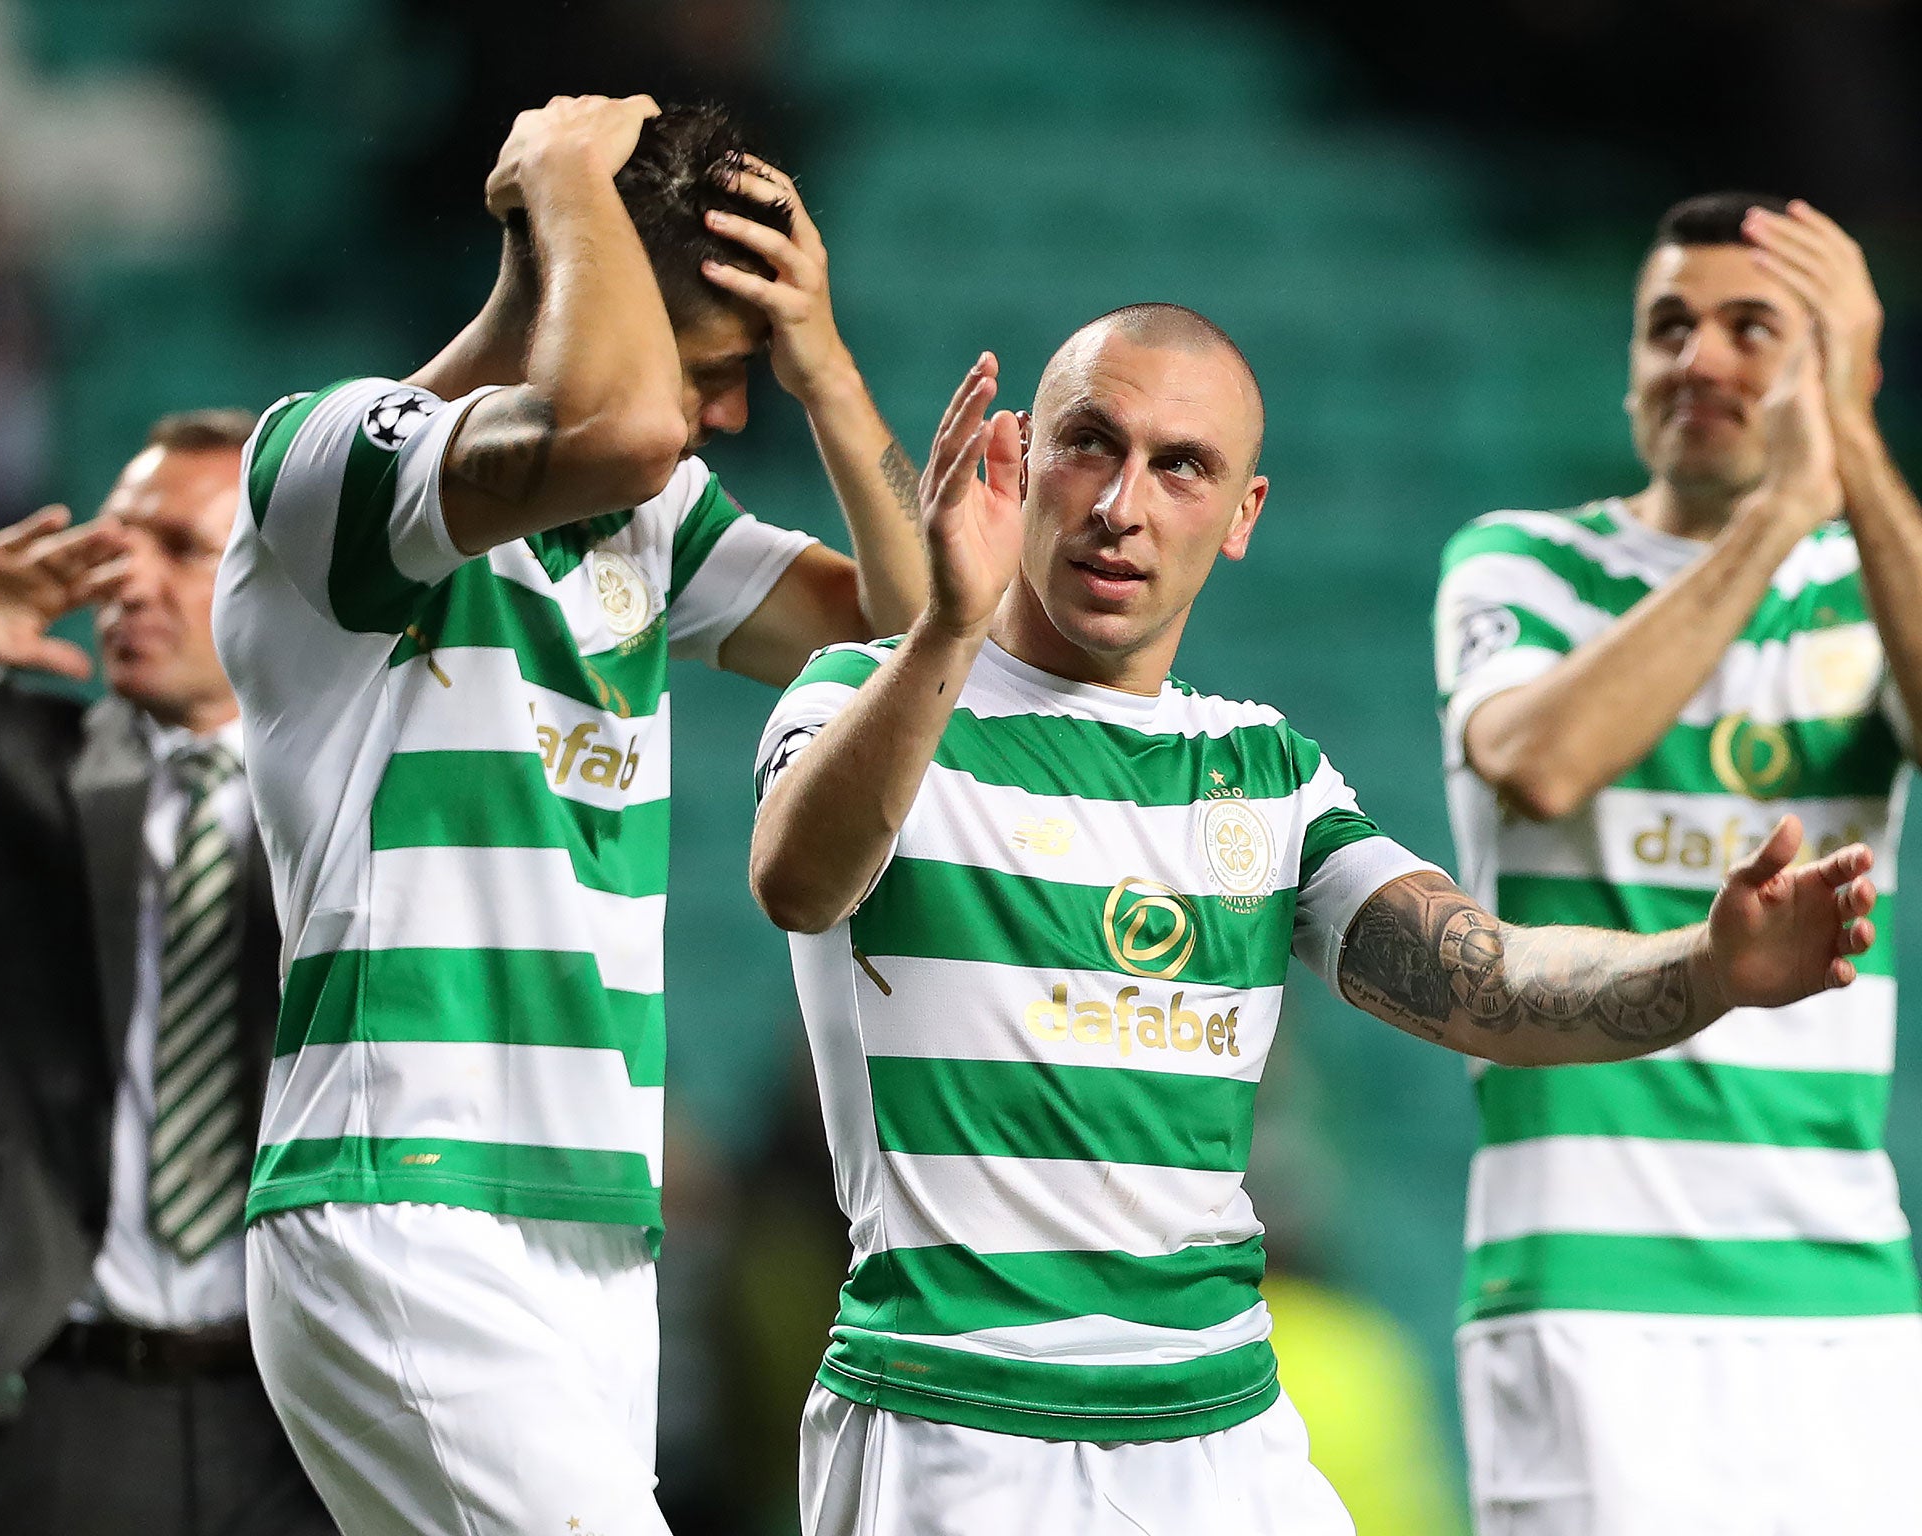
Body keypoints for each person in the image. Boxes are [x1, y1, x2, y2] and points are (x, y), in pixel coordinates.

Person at [747, 303, 1878, 1536]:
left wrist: (1707, 965)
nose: (1122, 503)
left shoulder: (1261, 769)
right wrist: (945, 630)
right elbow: (797, 883)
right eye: (1090, 444)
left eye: (1182, 465)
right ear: (1019, 468)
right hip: (958, 1428)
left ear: (1241, 517)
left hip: (1223, 1442)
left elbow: (1483, 982)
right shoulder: (865, 693)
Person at [213, 96, 927, 1536]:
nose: (727, 417)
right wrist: (557, 179)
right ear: (585, 282)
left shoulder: (646, 523)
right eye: (722, 373)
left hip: (593, 1223)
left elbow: (925, 632)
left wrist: (830, 372)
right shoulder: (323, 459)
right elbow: (611, 421)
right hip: (402, 1186)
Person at [1435, 193, 1922, 1535]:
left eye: (1750, 327)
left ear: (1831, 370)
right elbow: (1543, 761)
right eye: (1666, 327)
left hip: (1843, 1296)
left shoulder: (1872, 582)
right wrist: (1770, 524)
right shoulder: (1522, 562)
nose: (1696, 359)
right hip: (1584, 1295)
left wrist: (1853, 457)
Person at [0, 412, 334, 1536]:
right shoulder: (8, 757)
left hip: (306, 1414)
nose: (126, 578)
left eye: (179, 549)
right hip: (57, 1412)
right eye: (113, 543)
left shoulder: (357, 804)